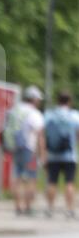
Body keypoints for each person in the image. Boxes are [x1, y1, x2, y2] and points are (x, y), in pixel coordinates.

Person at [3, 85, 45, 216]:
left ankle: (17, 207)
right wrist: (42, 153)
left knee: (17, 178)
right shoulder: (34, 113)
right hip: (29, 149)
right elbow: (39, 135)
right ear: (34, 99)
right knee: (31, 179)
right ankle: (27, 207)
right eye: (38, 99)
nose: (39, 102)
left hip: (15, 148)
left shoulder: (14, 110)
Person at [43, 91, 79, 219]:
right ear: (69, 102)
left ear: (58, 101)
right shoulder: (74, 115)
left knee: (52, 182)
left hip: (53, 155)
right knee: (69, 182)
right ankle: (69, 209)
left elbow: (43, 132)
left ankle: (50, 209)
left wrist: (43, 152)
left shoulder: (50, 115)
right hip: (70, 155)